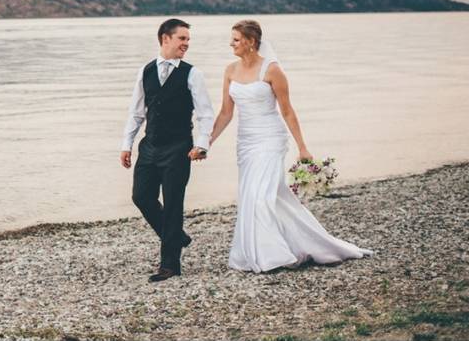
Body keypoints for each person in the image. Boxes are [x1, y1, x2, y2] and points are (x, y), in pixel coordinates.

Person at [209, 19, 372, 272]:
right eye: (232, 39)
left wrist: (302, 148)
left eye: (236, 39)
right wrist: (205, 143)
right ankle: (293, 245)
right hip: (246, 143)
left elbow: (287, 112)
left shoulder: (272, 71)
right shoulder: (230, 70)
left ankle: (272, 257)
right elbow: (225, 114)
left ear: (251, 42)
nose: (231, 43)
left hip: (271, 139)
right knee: (259, 196)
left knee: (261, 196)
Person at [121, 18, 214, 282]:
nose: (186, 44)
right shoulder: (145, 71)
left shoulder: (193, 74)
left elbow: (206, 114)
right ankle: (177, 237)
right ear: (165, 39)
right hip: (149, 146)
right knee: (141, 197)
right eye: (182, 38)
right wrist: (126, 145)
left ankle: (170, 265)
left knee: (173, 204)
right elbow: (136, 113)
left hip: (178, 148)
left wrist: (202, 144)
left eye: (188, 40)